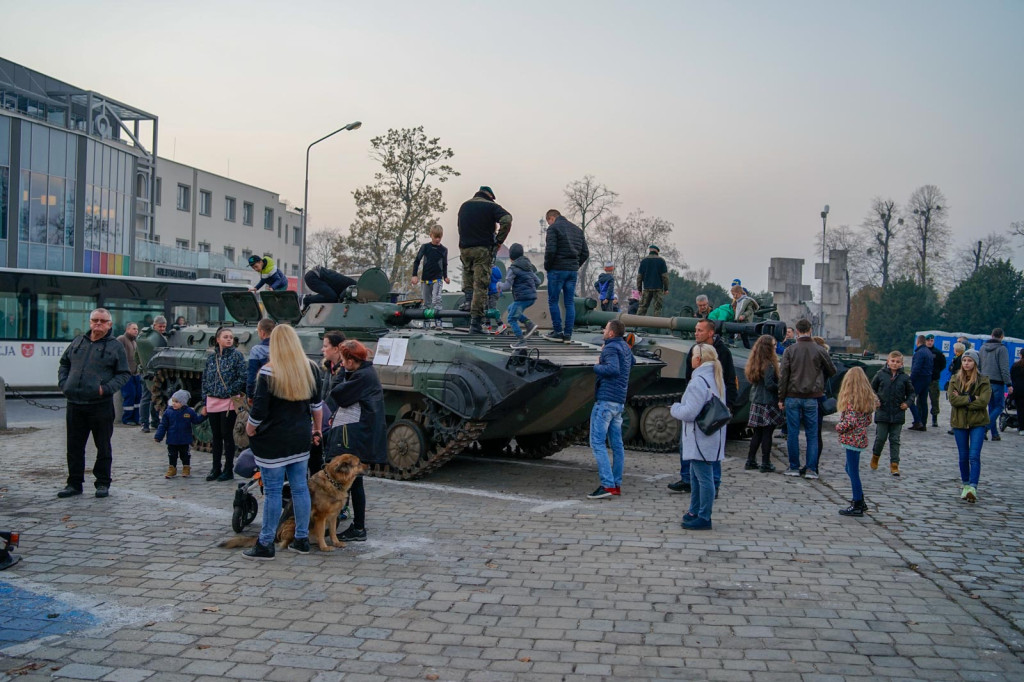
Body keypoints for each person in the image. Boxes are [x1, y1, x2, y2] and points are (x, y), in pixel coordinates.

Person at [243, 324, 325, 559]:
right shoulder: (310, 368)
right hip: (299, 437)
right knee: (300, 488)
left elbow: (258, 412)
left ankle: (265, 543)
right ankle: (301, 539)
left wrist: (249, 430)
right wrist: (317, 430)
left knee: (272, 491)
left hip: (273, 440)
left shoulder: (268, 373)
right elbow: (317, 406)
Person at [56, 308, 130, 498]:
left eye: (102, 321)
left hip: (100, 405)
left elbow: (123, 374)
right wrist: (64, 384)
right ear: (90, 322)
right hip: (75, 403)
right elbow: (64, 363)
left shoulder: (115, 346)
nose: (98, 323)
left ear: (109, 324)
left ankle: (102, 483)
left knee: (103, 446)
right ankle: (74, 484)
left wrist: (105, 389)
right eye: (95, 320)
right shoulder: (78, 341)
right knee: (74, 447)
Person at [667, 319, 737, 494]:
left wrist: (729, 405)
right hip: (697, 402)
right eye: (696, 330)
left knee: (711, 448)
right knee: (687, 445)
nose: (696, 333)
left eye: (700, 330)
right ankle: (687, 479)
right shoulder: (694, 350)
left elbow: (730, 380)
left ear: (710, 332)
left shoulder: (723, 352)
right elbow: (688, 378)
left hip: (714, 407)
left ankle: (714, 483)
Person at [329, 340, 387, 542]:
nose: (341, 363)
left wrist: (341, 373)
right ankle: (356, 524)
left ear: (351, 361)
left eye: (343, 360)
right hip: (360, 433)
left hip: (357, 435)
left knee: (355, 482)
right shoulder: (364, 373)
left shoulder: (362, 376)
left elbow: (337, 394)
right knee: (355, 481)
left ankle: (359, 527)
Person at [670, 343, 726, 531]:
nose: (691, 358)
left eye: (693, 355)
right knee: (696, 477)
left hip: (699, 437)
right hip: (710, 435)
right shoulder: (715, 377)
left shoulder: (698, 381)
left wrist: (675, 408)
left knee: (703, 478)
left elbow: (689, 412)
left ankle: (704, 516)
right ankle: (694, 511)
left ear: (699, 359)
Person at [778, 318, 837, 479]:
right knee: (812, 434)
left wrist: (781, 398)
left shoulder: (790, 350)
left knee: (792, 433)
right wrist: (819, 377)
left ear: (797, 331)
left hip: (792, 396)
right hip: (813, 396)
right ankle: (811, 469)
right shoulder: (819, 350)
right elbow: (832, 370)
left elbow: (783, 376)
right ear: (810, 330)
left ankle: (794, 467)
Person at [586, 320, 635, 499]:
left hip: (606, 401)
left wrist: (597, 365)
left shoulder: (610, 348)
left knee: (597, 443)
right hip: (619, 401)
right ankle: (616, 484)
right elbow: (632, 362)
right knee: (617, 445)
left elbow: (613, 369)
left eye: (605, 329)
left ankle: (607, 484)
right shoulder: (624, 347)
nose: (603, 331)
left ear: (611, 333)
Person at [457, 186, 512, 334]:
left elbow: (460, 226)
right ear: (490, 196)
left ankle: (468, 302)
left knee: (468, 277)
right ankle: (475, 323)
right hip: (482, 249)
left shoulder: (464, 206)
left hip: (465, 248)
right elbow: (507, 219)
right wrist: (498, 241)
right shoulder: (490, 206)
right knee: (480, 285)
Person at [200, 327, 247, 482]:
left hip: (228, 401)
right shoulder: (211, 358)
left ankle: (228, 469)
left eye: (231, 337)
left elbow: (242, 376)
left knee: (227, 435)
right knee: (216, 436)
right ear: (218, 339)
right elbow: (205, 379)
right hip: (212, 400)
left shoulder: (237, 356)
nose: (228, 339)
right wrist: (205, 399)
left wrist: (230, 390)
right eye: (225, 337)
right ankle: (215, 468)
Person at [948, 349, 991, 504]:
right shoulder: (955, 379)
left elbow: (983, 402)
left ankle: (973, 486)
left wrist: (963, 400)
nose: (966, 363)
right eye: (964, 360)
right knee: (963, 456)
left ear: (975, 363)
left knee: (974, 456)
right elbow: (952, 400)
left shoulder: (983, 381)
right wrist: (972, 398)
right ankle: (965, 484)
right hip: (959, 422)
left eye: (970, 361)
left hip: (977, 422)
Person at [835, 368, 876, 517]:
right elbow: (867, 420)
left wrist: (839, 427)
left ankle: (857, 502)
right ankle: (860, 499)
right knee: (849, 468)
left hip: (851, 438)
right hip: (860, 437)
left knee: (853, 471)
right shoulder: (865, 399)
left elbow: (850, 421)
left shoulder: (851, 400)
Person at [543, 209, 589, 343]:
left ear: (551, 218)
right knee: (569, 302)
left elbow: (550, 250)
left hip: (557, 270)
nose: (549, 224)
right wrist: (575, 265)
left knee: (553, 301)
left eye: (548, 222)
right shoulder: (577, 230)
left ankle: (557, 332)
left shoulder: (553, 228)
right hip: (572, 271)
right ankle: (568, 334)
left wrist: (548, 266)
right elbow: (585, 253)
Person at [870, 351, 915, 477]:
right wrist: (875, 399)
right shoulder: (880, 374)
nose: (895, 364)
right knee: (880, 438)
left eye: (897, 362)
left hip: (898, 413)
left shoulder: (904, 378)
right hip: (883, 411)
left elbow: (911, 393)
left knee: (895, 439)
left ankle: (894, 464)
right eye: (893, 361)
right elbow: (871, 389)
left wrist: (907, 403)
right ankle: (875, 456)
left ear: (902, 363)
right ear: (888, 362)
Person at [744, 334, 783, 473]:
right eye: (773, 345)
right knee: (767, 433)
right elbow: (769, 384)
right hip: (768, 401)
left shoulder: (755, 361)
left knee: (757, 433)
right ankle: (765, 462)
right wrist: (781, 387)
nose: (775, 347)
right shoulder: (769, 364)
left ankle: (750, 460)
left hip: (757, 400)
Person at [315, 330, 348, 475]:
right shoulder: (328, 368)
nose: (322, 349)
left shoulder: (345, 370)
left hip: (337, 421)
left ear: (336, 349)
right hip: (325, 418)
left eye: (325, 346)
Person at [154, 389, 205, 479]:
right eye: (173, 401)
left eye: (177, 402)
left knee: (185, 455)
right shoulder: (168, 412)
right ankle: (172, 468)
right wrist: (158, 436)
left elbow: (196, 420)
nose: (174, 404)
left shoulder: (189, 411)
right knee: (172, 455)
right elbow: (163, 425)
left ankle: (186, 467)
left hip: (184, 439)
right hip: (172, 440)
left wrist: (203, 415)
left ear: (183, 402)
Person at [502, 243, 541, 348]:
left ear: (511, 257)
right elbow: (538, 281)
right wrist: (530, 290)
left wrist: (498, 285)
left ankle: (521, 341)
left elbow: (506, 286)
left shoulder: (513, 268)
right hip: (531, 298)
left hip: (521, 298)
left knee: (511, 318)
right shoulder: (528, 267)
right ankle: (529, 324)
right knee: (510, 308)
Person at [411, 224, 450, 326]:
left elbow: (444, 264)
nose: (437, 240)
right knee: (426, 302)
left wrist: (445, 276)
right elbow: (417, 261)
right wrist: (414, 275)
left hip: (437, 279)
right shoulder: (425, 247)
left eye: (439, 237)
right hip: (426, 278)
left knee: (437, 299)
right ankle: (426, 322)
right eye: (435, 237)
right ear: (431, 235)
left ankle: (438, 321)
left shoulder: (444, 250)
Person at [978, 327, 1011, 441]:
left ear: (991, 335)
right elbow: (1004, 368)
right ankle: (984, 428)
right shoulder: (1002, 349)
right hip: (997, 383)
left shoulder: (982, 348)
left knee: (991, 407)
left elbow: (979, 366)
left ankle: (995, 434)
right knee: (999, 407)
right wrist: (1009, 384)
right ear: (1002, 337)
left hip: (984, 381)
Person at [139, 316, 167, 433]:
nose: (162, 329)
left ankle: (155, 421)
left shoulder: (162, 337)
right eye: (160, 326)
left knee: (156, 397)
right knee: (147, 398)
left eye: (164, 327)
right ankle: (144, 423)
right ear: (154, 325)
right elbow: (138, 355)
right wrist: (142, 368)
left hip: (158, 372)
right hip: (148, 372)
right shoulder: (146, 337)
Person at [117, 322, 141, 425]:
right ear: (127, 329)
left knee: (138, 396)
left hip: (136, 374)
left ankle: (136, 418)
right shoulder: (121, 339)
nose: (136, 331)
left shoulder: (135, 342)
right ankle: (127, 419)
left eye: (137, 329)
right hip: (126, 374)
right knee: (130, 395)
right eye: (134, 329)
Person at [907, 334, 933, 431]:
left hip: (919, 379)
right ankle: (923, 423)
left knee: (909, 399)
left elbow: (916, 368)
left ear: (917, 342)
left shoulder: (919, 353)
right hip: (927, 378)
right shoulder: (929, 352)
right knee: (923, 401)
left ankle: (917, 421)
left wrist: (910, 380)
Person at [247, 318, 276, 400]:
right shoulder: (283, 348)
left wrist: (250, 395)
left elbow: (252, 375)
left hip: (262, 393)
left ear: (262, 333)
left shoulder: (256, 350)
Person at [636, 245, 668, 316]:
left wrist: (639, 289)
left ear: (650, 250)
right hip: (658, 288)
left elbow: (639, 277)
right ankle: (656, 322)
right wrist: (666, 288)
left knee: (642, 307)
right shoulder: (661, 261)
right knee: (657, 308)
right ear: (657, 251)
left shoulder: (644, 261)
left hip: (647, 288)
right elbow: (665, 277)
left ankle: (636, 322)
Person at [925, 334, 947, 428]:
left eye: (932, 341)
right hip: (923, 379)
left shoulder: (938, 353)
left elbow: (943, 364)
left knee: (934, 399)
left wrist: (936, 372)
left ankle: (934, 418)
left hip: (933, 379)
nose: (930, 342)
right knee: (921, 400)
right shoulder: (922, 351)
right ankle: (921, 418)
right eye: (928, 340)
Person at [1010, 349, 1023, 436]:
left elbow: (1011, 376)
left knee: (1020, 409)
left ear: (1020, 355)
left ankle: (1021, 428)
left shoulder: (1015, 365)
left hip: (1018, 390)